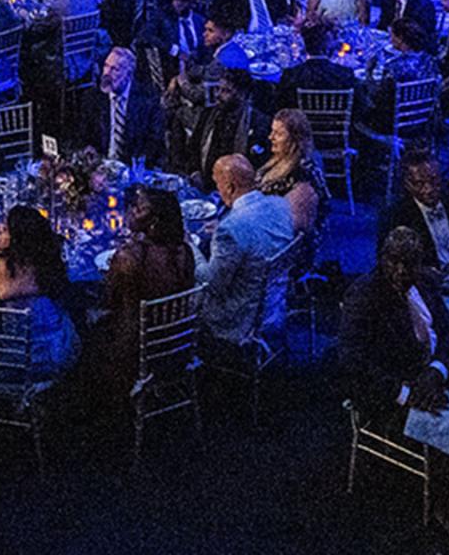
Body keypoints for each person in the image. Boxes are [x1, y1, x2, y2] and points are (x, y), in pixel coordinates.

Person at [338, 226, 449, 426]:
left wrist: (436, 371)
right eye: (393, 262)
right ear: (382, 258)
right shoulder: (363, 296)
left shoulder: (425, 282)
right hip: (390, 397)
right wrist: (407, 395)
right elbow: (353, 360)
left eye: (409, 263)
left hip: (432, 378)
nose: (401, 271)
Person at [194, 155, 294, 347]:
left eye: (218, 184)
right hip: (273, 306)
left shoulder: (231, 229)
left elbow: (211, 283)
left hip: (237, 318)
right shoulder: (280, 205)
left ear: (230, 187)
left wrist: (190, 247)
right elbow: (254, 231)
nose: (217, 190)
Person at [102, 185, 196, 384]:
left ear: (154, 221)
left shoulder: (128, 257)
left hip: (137, 346)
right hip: (177, 339)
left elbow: (110, 300)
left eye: (138, 208)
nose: (132, 211)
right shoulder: (184, 251)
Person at [0, 204, 82, 379]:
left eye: (5, 229)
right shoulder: (49, 262)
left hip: (15, 358)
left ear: (17, 239)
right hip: (56, 352)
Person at [377, 148, 449, 305]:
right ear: (407, 184)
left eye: (434, 181)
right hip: (430, 294)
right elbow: (388, 267)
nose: (428, 189)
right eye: (419, 184)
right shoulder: (396, 216)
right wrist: (423, 273)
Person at [79, 45, 165, 166]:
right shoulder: (93, 97)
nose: (107, 73)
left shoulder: (148, 99)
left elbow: (154, 142)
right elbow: (84, 136)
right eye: (106, 66)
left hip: (132, 168)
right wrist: (88, 149)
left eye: (115, 69)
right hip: (100, 166)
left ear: (129, 74)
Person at [255, 109, 328, 237]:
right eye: (272, 131)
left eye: (278, 134)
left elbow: (298, 228)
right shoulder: (276, 159)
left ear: (295, 138)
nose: (270, 137)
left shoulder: (303, 173)